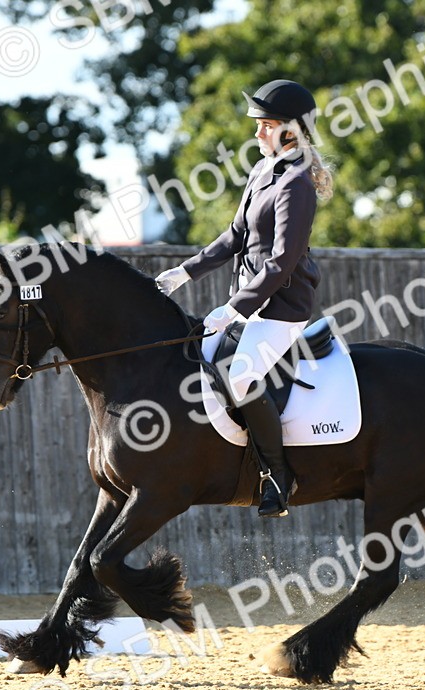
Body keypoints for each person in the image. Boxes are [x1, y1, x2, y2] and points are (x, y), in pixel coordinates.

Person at [155, 79, 334, 518]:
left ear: (290, 130)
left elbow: (282, 261)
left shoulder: (297, 184)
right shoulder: (261, 171)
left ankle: (279, 477)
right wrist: (184, 273)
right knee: (198, 359)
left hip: (281, 310)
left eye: (265, 125)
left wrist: (235, 308)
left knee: (239, 377)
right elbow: (234, 236)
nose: (256, 132)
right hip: (251, 304)